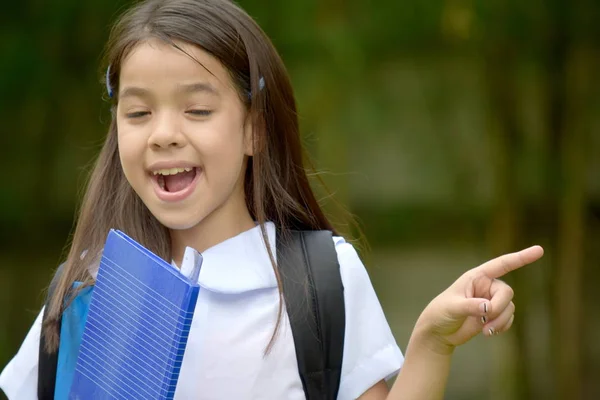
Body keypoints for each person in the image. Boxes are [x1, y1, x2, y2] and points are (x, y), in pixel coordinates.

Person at [0, 0, 544, 399]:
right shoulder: (86, 291)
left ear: (254, 130)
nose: (162, 133)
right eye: (138, 113)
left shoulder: (319, 280)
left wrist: (432, 343)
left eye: (197, 109)